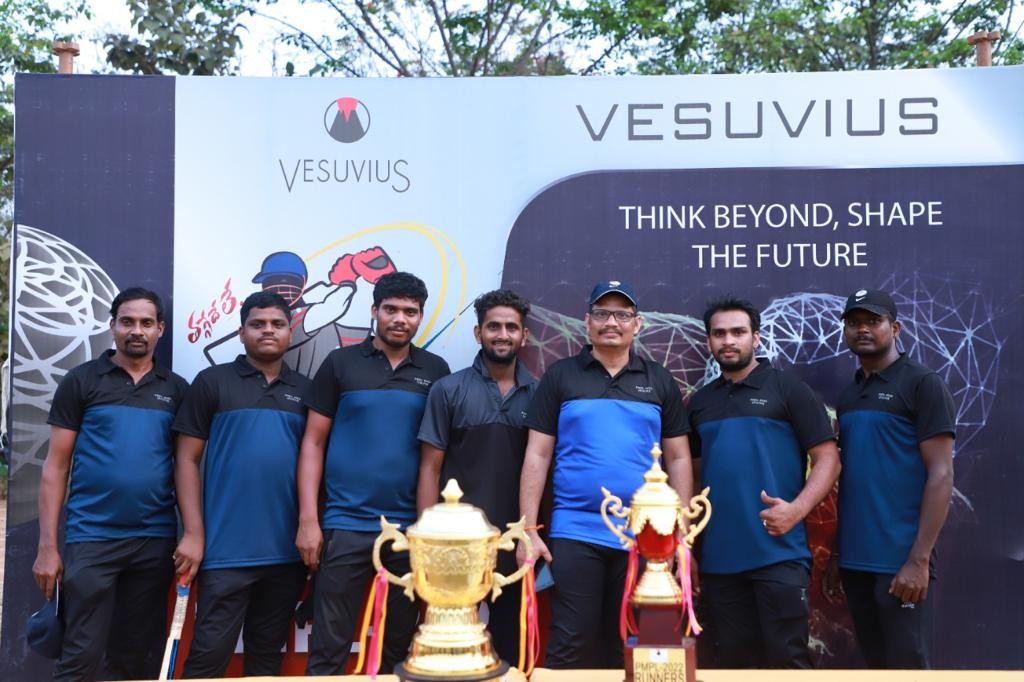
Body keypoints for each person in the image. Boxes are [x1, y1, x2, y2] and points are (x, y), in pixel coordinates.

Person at [517, 280, 693, 669]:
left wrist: (678, 532)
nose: (611, 322)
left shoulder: (659, 379)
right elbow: (537, 454)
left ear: (637, 324)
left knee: (633, 644)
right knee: (570, 641)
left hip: (646, 535)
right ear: (587, 322)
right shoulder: (561, 376)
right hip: (574, 530)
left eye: (621, 315)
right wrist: (527, 531)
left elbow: (679, 458)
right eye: (601, 314)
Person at [296, 271, 451, 676]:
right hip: (344, 524)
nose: (400, 319)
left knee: (397, 649)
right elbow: (313, 443)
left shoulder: (436, 370)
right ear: (374, 311)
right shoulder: (340, 363)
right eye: (391, 309)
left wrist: (426, 532)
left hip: (407, 532)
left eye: (410, 312)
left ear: (420, 317)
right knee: (329, 646)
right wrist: (309, 520)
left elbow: (434, 458)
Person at [32, 287, 189, 681]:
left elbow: (187, 467)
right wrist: (47, 548)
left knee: (133, 660)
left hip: (154, 540)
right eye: (127, 321)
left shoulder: (176, 389)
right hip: (92, 537)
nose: (137, 330)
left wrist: (192, 533)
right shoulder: (82, 381)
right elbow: (55, 467)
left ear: (160, 329)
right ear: (112, 326)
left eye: (146, 323)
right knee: (80, 657)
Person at [687, 295, 840, 669]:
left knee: (787, 664)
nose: (728, 341)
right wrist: (687, 545)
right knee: (734, 667)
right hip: (719, 562)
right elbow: (692, 476)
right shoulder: (700, 403)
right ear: (708, 341)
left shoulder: (789, 390)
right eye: (719, 333)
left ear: (756, 337)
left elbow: (829, 459)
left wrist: (797, 510)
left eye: (738, 332)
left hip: (780, 556)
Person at [172, 291, 311, 677]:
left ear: (290, 331)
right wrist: (194, 534)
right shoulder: (212, 382)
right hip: (224, 553)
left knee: (265, 661)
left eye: (277, 324)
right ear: (241, 332)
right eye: (257, 324)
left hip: (286, 555)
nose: (268, 330)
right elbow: (185, 460)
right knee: (208, 658)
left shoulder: (306, 390)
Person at [827, 288, 955, 669]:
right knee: (877, 668)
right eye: (854, 322)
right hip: (855, 562)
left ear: (895, 328)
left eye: (873, 321)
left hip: (901, 563)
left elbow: (941, 474)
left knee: (907, 669)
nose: (862, 329)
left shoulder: (922, 384)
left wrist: (919, 560)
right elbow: (852, 479)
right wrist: (838, 554)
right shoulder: (849, 395)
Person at [417, 288, 538, 664]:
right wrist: (427, 541)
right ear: (478, 332)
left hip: (515, 545)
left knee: (512, 651)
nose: (502, 335)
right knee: (452, 651)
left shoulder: (541, 394)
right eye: (493, 327)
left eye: (511, 327)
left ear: (524, 336)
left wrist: (531, 534)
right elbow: (430, 468)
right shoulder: (447, 390)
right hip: (456, 548)